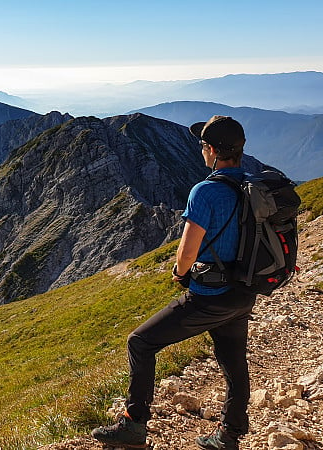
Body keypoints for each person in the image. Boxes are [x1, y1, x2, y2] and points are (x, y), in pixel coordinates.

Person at [91, 116, 257, 449]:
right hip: (244, 293)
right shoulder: (255, 186)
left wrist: (180, 274)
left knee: (140, 342)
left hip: (209, 295)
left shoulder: (206, 191)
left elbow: (187, 251)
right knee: (234, 361)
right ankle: (229, 435)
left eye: (203, 146)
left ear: (210, 150)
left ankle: (133, 425)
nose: (202, 151)